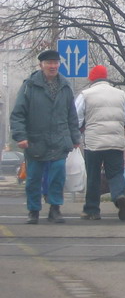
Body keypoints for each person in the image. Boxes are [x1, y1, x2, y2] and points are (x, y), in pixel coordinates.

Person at [10, 49, 81, 224]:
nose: (52, 66)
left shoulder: (65, 86)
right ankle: (33, 210)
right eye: (49, 63)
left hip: (59, 140)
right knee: (34, 178)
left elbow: (71, 114)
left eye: (55, 63)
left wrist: (75, 138)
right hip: (35, 141)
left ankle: (55, 209)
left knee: (58, 176)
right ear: (41, 65)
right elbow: (18, 113)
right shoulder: (30, 86)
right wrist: (21, 136)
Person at [76, 65, 125, 221]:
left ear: (91, 79)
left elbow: (77, 118)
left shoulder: (85, 95)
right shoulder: (120, 94)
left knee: (93, 176)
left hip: (94, 142)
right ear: (106, 78)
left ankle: (92, 210)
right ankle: (119, 195)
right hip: (115, 141)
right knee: (115, 173)